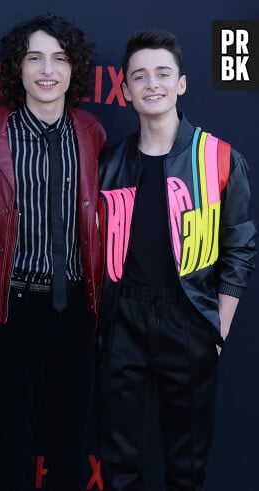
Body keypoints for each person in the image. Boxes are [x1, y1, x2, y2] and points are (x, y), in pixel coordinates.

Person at [98, 30, 256, 490]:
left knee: (186, 468)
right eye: (140, 76)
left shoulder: (220, 157)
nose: (153, 84)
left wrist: (219, 327)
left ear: (181, 83)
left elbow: (240, 248)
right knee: (119, 467)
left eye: (163, 73)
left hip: (189, 317)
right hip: (122, 317)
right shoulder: (108, 163)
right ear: (125, 90)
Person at [0, 14, 106, 491]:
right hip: (8, 310)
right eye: (34, 57)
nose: (47, 70)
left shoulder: (90, 132)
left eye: (59, 59)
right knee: (12, 445)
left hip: (78, 310)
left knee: (70, 446)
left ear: (73, 69)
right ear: (16, 68)